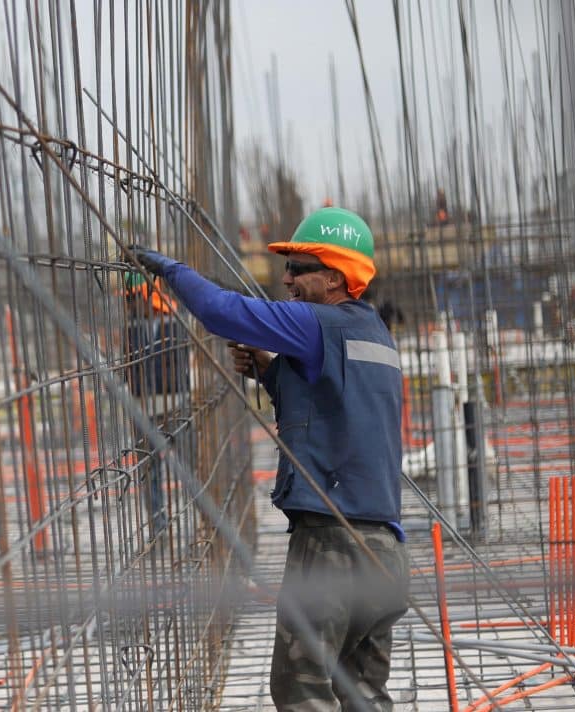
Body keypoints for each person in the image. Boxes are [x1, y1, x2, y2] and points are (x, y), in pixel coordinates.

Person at [127, 207, 409, 711]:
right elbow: (338, 410)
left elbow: (222, 312)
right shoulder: (373, 333)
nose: (287, 279)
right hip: (385, 553)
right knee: (364, 697)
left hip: (331, 547)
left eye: (298, 268)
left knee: (302, 692)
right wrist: (271, 374)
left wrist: (171, 271)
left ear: (334, 276)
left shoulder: (318, 323)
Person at [122, 272, 189, 537]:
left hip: (174, 406)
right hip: (143, 410)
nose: (130, 304)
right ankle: (159, 528)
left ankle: (201, 519)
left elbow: (174, 364)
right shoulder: (131, 326)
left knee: (188, 465)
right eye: (129, 299)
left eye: (134, 297)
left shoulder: (173, 321)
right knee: (149, 473)